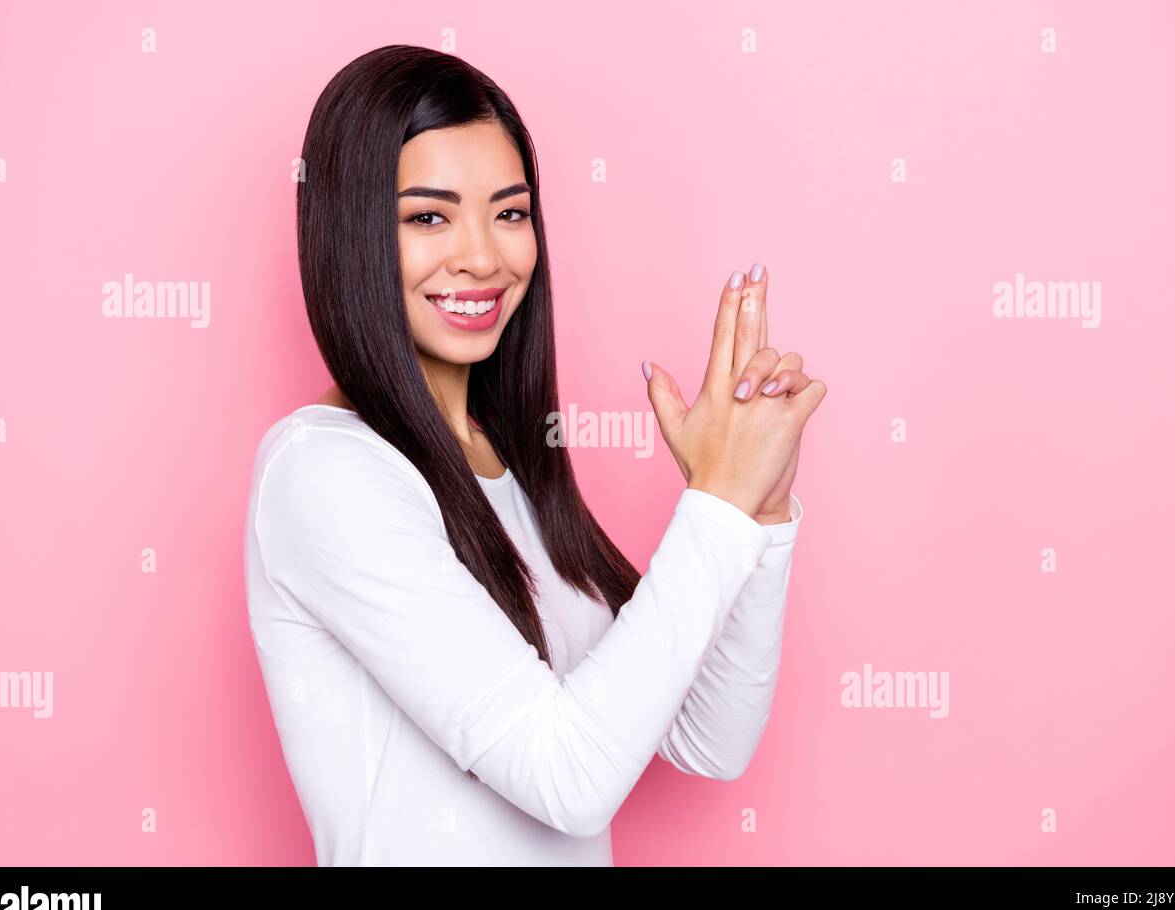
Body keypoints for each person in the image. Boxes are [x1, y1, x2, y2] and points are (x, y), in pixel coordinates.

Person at [243, 44, 826, 866]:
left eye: (510, 213)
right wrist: (717, 508)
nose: (484, 256)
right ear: (349, 231)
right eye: (429, 216)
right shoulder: (323, 472)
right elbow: (568, 779)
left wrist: (756, 512)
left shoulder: (508, 462)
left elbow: (708, 739)